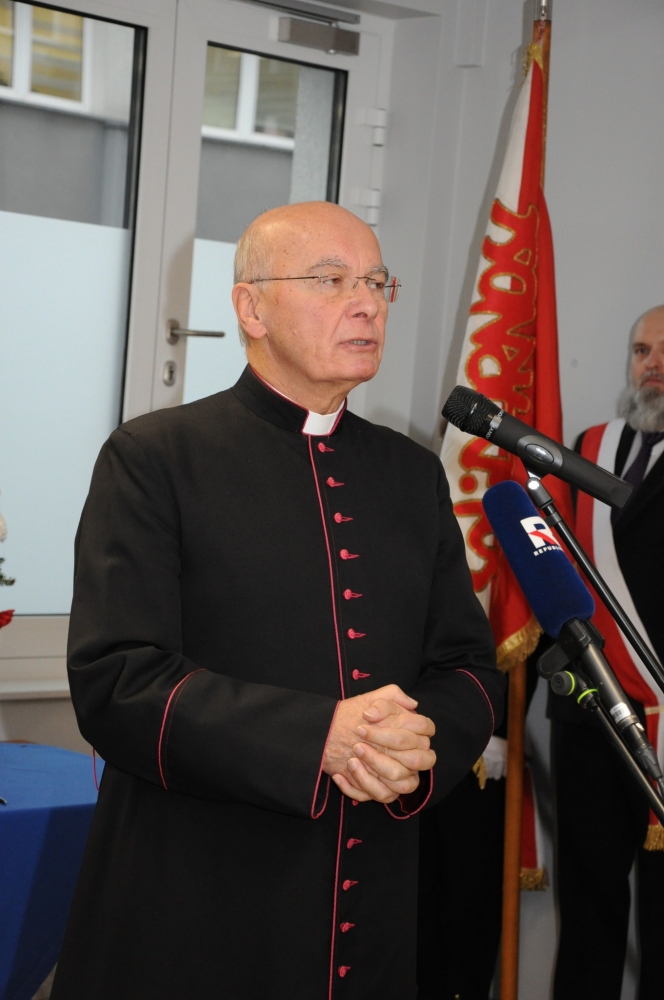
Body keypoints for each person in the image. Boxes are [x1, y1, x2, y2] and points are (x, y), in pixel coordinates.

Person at [51, 202, 503, 1000]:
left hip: (372, 900)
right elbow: (116, 679)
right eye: (331, 280)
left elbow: (467, 665)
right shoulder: (154, 458)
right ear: (250, 308)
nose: (366, 304)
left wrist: (411, 743)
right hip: (196, 899)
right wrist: (317, 738)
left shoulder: (411, 474)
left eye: (376, 282)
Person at [551, 305, 664, 1000]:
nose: (653, 364)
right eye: (642, 350)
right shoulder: (588, 445)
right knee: (588, 902)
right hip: (592, 712)